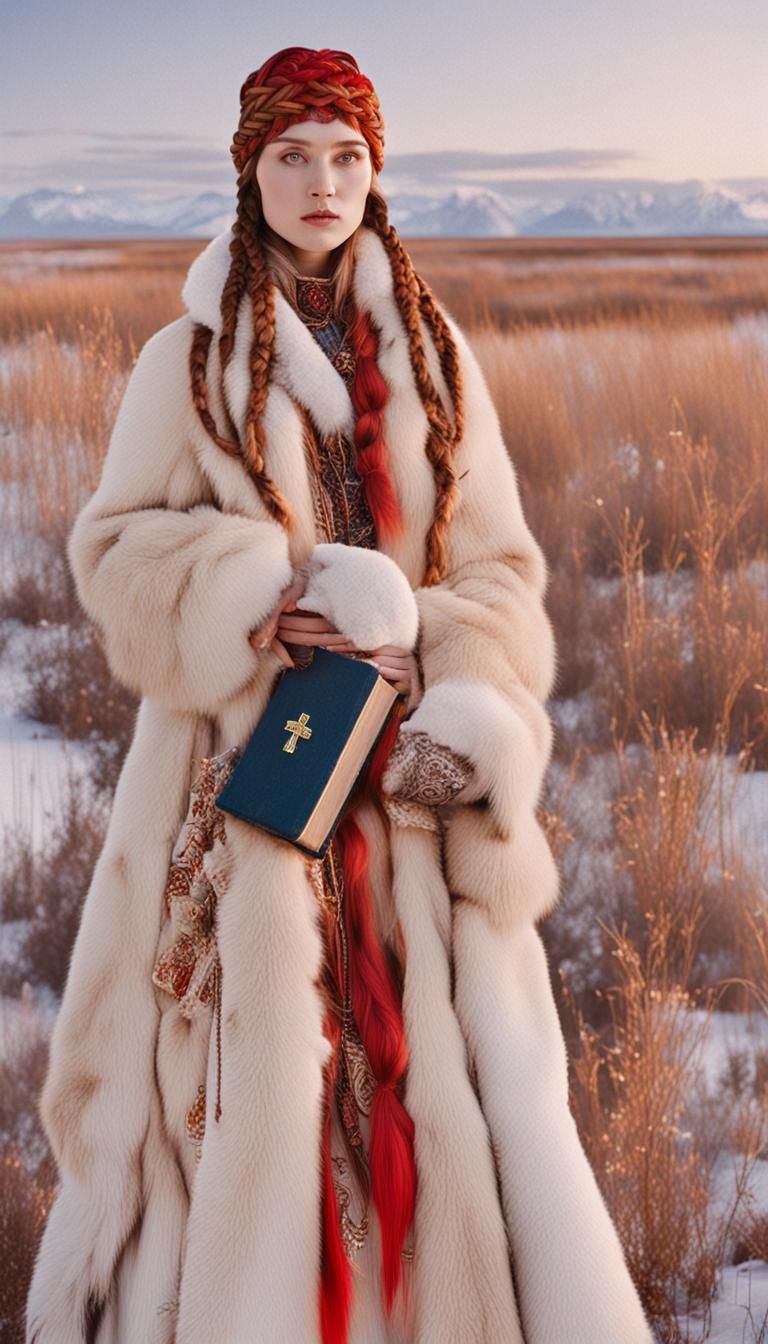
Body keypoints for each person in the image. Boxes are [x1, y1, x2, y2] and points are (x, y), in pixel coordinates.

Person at [26, 46, 654, 1344]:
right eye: (293, 156)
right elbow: (114, 549)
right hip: (244, 781)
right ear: (249, 171)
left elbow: (501, 573)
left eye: (348, 157)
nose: (323, 182)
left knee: (441, 1095)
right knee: (256, 1088)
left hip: (413, 785)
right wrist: (247, 596)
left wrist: (438, 652)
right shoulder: (184, 361)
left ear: (376, 172)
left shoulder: (436, 356)